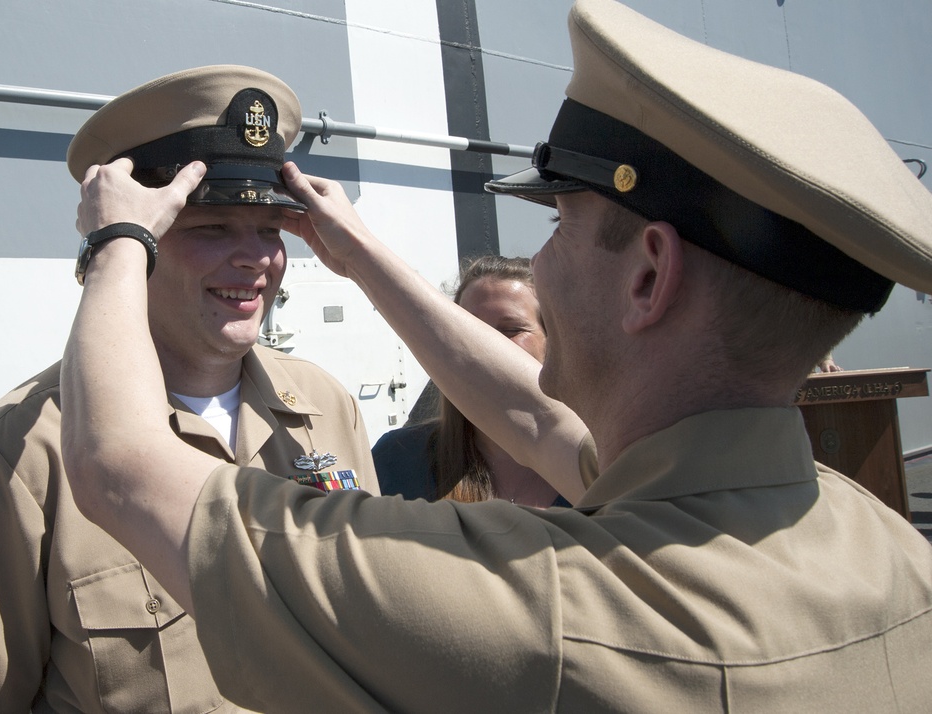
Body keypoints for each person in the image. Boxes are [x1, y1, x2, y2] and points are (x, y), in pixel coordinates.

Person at [60, 1, 932, 710]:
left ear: (648, 277)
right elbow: (532, 414)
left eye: (561, 224)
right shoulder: (888, 549)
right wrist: (361, 253)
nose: (540, 259)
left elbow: (122, 467)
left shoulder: (535, 611)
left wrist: (120, 240)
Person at [0, 66, 381, 713]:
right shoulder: (21, 451)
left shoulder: (325, 407)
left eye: (270, 230)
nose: (255, 258)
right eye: (211, 229)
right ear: (136, 240)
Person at [373, 254, 574, 507]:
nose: (485, 344)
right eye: (469, 330)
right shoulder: (398, 458)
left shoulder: (604, 466)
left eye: (511, 329)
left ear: (552, 340)